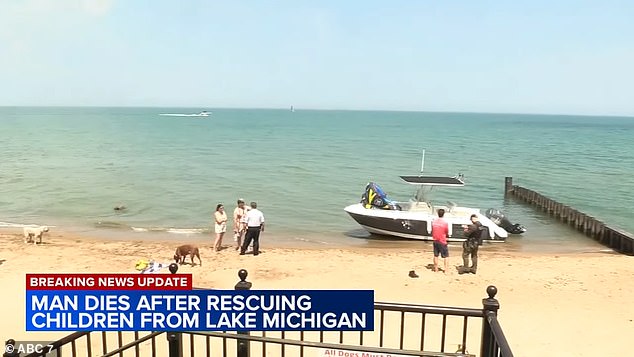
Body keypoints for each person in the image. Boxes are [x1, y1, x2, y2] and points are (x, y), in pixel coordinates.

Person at [431, 208, 449, 273]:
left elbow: (432, 230)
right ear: (443, 214)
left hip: (435, 240)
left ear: (438, 214)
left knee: (436, 255)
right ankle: (446, 270)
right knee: (446, 256)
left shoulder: (434, 222)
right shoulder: (445, 223)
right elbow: (446, 232)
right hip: (442, 240)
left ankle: (436, 269)